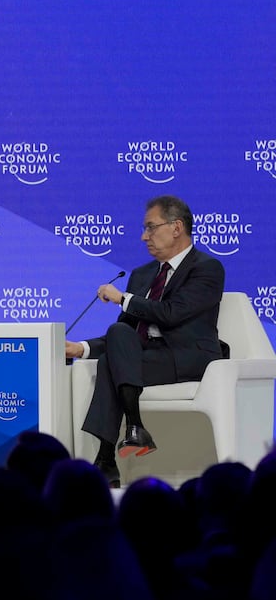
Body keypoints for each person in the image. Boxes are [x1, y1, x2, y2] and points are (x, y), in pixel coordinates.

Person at [65, 195, 224, 487]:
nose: (143, 236)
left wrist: (122, 298)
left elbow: (172, 313)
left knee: (110, 364)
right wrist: (82, 348)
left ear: (176, 228)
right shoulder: (142, 275)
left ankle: (107, 458)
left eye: (151, 227)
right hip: (144, 358)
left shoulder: (207, 268)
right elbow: (123, 334)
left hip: (187, 358)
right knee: (117, 339)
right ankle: (133, 428)